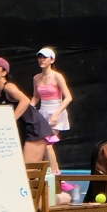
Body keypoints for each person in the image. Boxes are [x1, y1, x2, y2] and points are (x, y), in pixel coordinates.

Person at [0, 55, 55, 163]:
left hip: (34, 128)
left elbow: (25, 100)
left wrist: (11, 120)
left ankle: (53, 172)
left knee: (29, 168)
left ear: (4, 72)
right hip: (22, 130)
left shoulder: (9, 87)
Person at [32, 47, 74, 176]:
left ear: (52, 60)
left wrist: (56, 114)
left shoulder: (57, 76)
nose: (41, 60)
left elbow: (68, 97)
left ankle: (55, 174)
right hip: (42, 112)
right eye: (40, 57)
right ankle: (48, 174)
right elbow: (35, 97)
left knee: (47, 143)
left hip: (56, 112)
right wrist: (28, 108)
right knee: (43, 145)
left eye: (44, 57)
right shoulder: (36, 78)